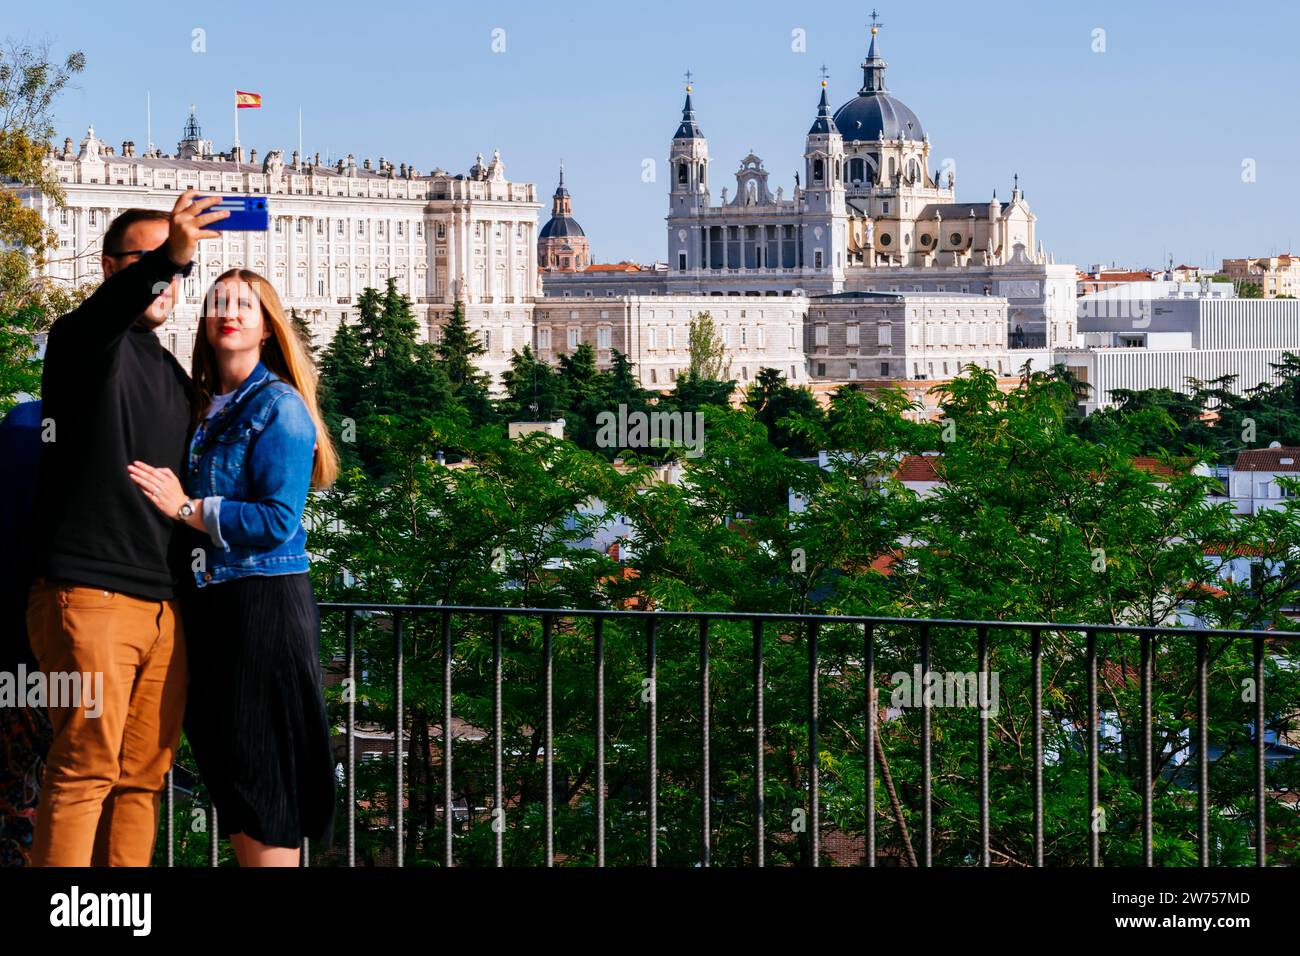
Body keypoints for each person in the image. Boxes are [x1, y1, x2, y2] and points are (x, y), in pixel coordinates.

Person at [25, 191, 228, 867]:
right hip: (90, 594)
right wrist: (175, 253)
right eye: (152, 259)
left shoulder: (169, 372)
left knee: (142, 781)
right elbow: (101, 318)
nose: (169, 278)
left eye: (175, 264)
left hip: (163, 607)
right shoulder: (82, 341)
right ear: (112, 269)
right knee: (85, 769)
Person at [128, 268, 338, 867]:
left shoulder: (279, 407)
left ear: (268, 328)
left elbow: (277, 519)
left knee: (259, 767)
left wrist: (187, 508)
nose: (231, 312)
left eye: (246, 305)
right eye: (220, 302)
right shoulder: (197, 404)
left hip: (260, 603)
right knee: (229, 766)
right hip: (209, 603)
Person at [0, 399, 49, 866]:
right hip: (72, 647)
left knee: (14, 799)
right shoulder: (116, 425)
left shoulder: (20, 424)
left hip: (15, 650)